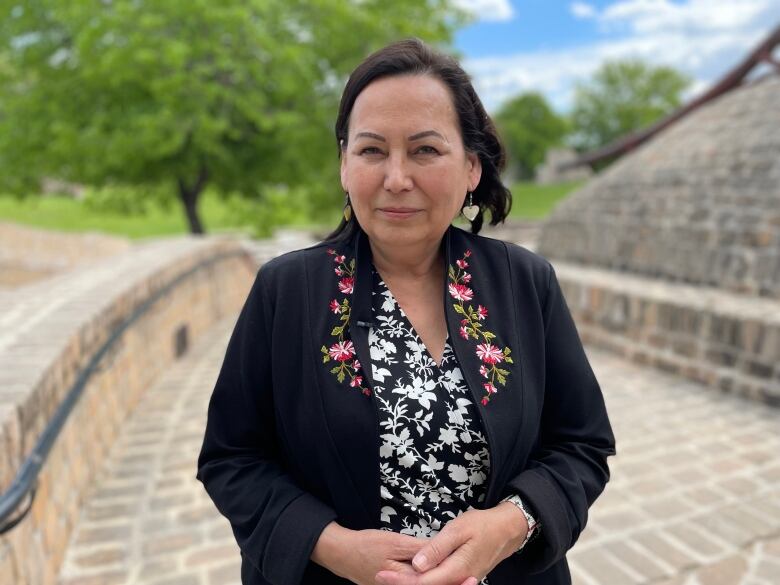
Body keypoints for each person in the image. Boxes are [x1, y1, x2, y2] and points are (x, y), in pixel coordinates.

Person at [196, 38, 616, 585]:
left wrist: (513, 524)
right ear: (344, 167)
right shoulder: (287, 292)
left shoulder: (525, 284)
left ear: (470, 168)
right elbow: (232, 458)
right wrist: (330, 546)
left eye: (424, 150)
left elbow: (582, 444)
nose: (396, 178)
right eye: (372, 151)